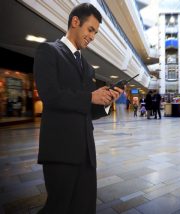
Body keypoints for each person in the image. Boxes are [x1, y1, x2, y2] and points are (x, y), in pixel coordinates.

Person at [33, 3, 122, 214]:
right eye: (90, 29)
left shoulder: (87, 66)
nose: (92, 36)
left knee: (85, 208)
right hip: (60, 150)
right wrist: (90, 96)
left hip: (86, 154)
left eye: (95, 33)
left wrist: (106, 103)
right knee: (58, 207)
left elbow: (88, 110)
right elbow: (50, 95)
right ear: (75, 22)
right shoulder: (48, 51)